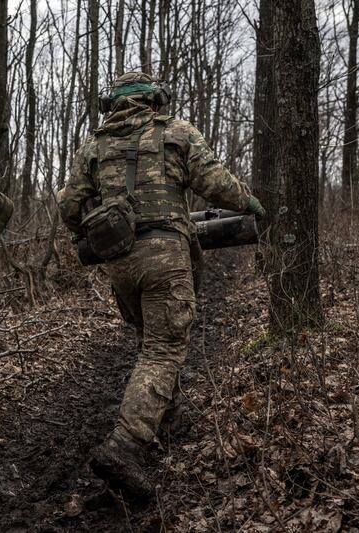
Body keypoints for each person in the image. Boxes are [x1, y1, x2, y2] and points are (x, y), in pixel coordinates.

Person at [56, 72, 265, 499]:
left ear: (112, 104)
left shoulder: (94, 146)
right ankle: (126, 444)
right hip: (166, 257)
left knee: (149, 340)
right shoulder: (176, 132)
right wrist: (249, 202)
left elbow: (69, 206)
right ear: (154, 100)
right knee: (164, 349)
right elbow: (215, 184)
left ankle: (169, 418)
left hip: (120, 264)